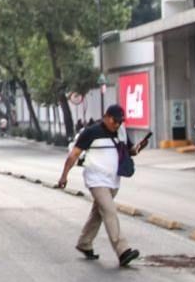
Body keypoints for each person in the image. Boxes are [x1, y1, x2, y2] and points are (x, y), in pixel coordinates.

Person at [56, 103, 146, 268]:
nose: (117, 124)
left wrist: (138, 148)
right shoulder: (91, 132)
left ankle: (84, 243)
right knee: (110, 211)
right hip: (96, 180)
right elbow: (74, 154)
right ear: (106, 117)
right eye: (114, 120)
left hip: (113, 181)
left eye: (120, 121)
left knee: (98, 213)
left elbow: (129, 151)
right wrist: (64, 176)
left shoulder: (121, 132)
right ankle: (123, 250)